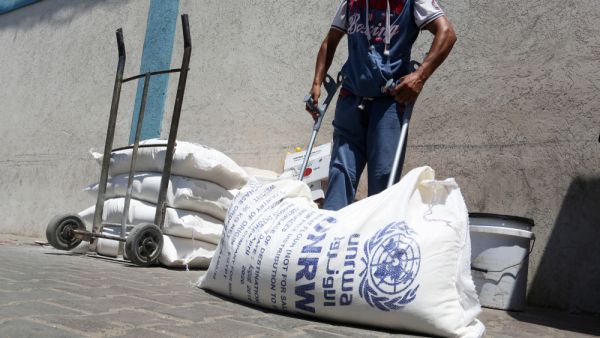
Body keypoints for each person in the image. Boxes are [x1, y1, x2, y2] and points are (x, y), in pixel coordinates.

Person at [307, 0, 456, 210]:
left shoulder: (414, 2)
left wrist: (420, 76)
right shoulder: (351, 3)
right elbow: (329, 42)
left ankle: (374, 237)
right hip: (351, 100)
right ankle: (332, 234)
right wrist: (316, 83)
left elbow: (447, 33)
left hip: (389, 103)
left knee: (383, 180)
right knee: (340, 173)